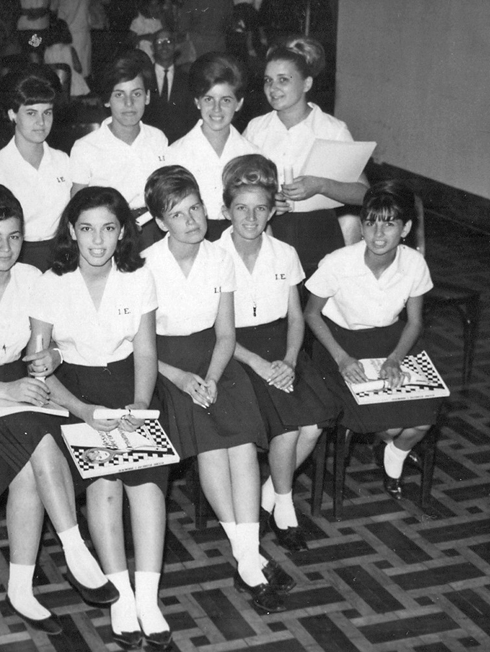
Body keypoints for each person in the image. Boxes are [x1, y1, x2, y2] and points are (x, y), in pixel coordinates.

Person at [0, 184, 116, 636]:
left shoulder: (34, 278)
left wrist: (52, 359)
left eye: (13, 236)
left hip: (20, 385)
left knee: (31, 467)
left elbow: (48, 350)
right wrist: (7, 391)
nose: (5, 248)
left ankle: (21, 588)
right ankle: (74, 547)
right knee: (40, 439)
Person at [141, 165, 292, 614]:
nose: (192, 221)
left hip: (215, 359)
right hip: (166, 366)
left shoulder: (219, 258)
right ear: (160, 222)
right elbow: (141, 347)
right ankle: (248, 557)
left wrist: (208, 374)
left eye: (196, 209)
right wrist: (184, 380)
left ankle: (247, 555)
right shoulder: (147, 264)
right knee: (211, 446)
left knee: (242, 445)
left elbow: (225, 334)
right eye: (178, 214)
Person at [29, 187, 171, 650]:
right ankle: (121, 596)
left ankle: (148, 599)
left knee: (146, 483)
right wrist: (83, 410)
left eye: (109, 228)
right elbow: (39, 365)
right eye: (86, 228)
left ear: (122, 232)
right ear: (71, 231)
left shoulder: (138, 276)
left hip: (130, 386)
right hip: (74, 392)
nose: (97, 240)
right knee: (105, 485)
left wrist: (139, 405)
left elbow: (146, 351)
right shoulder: (51, 282)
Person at [215, 155, 339, 552]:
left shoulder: (284, 252)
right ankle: (284, 507)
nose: (250, 217)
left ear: (272, 212)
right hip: (235, 351)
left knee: (314, 425)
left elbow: (297, 317)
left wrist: (288, 359)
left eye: (260, 209)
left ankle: (269, 493)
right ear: (226, 211)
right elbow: (214, 331)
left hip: (279, 347)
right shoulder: (213, 256)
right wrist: (259, 363)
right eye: (241, 208)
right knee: (288, 428)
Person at [304, 180, 442, 501]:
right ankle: (390, 445)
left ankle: (393, 456)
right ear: (362, 227)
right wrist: (341, 358)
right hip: (339, 344)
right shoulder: (338, 262)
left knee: (422, 419)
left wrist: (395, 358)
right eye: (370, 223)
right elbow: (312, 315)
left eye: (389, 224)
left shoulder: (414, 263)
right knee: (390, 424)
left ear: (405, 228)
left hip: (391, 342)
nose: (378, 234)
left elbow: (415, 321)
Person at [243, 35, 368, 272]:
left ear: (307, 84)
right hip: (267, 230)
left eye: (283, 80)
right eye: (268, 80)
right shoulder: (256, 128)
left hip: (318, 233)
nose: (273, 88)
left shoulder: (331, 129)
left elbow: (363, 194)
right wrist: (267, 200)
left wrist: (321, 185)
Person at [0, 65, 71, 271]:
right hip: (16, 260)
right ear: (12, 114)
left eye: (47, 112)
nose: (41, 122)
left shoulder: (64, 161)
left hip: (62, 256)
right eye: (31, 113)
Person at [69, 54, 168, 247]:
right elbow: (77, 207)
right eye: (119, 94)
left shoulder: (158, 139)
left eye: (136, 94)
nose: (129, 103)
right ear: (107, 100)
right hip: (109, 234)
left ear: (147, 97)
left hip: (154, 231)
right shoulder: (85, 147)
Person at [166, 52, 262, 240]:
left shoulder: (253, 154)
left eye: (226, 100)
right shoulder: (175, 154)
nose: (216, 109)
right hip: (192, 239)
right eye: (209, 99)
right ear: (197, 102)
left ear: (239, 103)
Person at [143, 28, 198, 144]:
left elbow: (192, 117)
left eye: (168, 41)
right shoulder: (143, 78)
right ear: (152, 48)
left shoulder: (187, 79)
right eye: (159, 42)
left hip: (180, 145)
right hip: (148, 144)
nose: (164, 45)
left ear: (175, 46)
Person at [44, 18, 91, 97]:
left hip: (55, 83)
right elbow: (78, 68)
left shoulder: (47, 51)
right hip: (72, 83)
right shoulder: (69, 49)